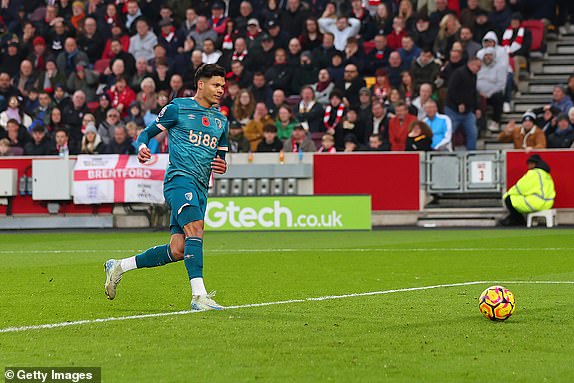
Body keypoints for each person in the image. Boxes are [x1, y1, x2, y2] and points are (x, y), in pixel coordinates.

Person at [104, 64, 229, 312]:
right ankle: (199, 297)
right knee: (196, 228)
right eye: (216, 85)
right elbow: (146, 133)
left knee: (179, 249)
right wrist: (141, 147)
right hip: (179, 180)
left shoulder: (221, 120)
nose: (221, 90)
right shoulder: (178, 108)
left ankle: (119, 266)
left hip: (202, 186)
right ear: (201, 84)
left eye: (223, 86)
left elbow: (221, 156)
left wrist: (222, 165)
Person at [500, 154, 555, 226]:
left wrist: (507, 194)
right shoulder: (546, 174)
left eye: (529, 164)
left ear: (533, 164)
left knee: (509, 199)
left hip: (537, 203)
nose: (528, 166)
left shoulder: (533, 173)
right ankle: (514, 219)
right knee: (516, 200)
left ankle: (518, 220)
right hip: (548, 203)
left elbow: (520, 187)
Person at [445, 57, 482, 150]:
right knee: (449, 133)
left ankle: (471, 154)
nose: (479, 69)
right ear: (471, 64)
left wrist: (477, 108)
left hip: (468, 111)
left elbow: (474, 92)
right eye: (478, 66)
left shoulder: (474, 76)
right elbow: (451, 90)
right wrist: (459, 103)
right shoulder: (458, 73)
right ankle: (446, 152)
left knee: (473, 132)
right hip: (453, 110)